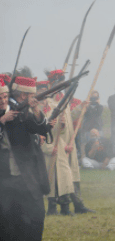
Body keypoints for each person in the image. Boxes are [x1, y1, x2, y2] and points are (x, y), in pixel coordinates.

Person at [0, 76, 51, 241]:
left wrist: (36, 110)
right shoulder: (8, 116)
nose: (4, 101)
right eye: (1, 98)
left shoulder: (21, 113)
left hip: (26, 175)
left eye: (5, 98)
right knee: (6, 216)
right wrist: (2, 121)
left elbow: (41, 128)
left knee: (36, 212)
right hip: (4, 176)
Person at [46, 69, 94, 214]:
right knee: (61, 177)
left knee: (72, 175)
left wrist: (80, 107)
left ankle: (78, 205)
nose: (63, 86)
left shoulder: (64, 100)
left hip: (69, 142)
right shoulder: (48, 102)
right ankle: (59, 207)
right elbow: (49, 124)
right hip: (58, 143)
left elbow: (70, 116)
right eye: (60, 83)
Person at [39, 87, 75, 216]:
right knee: (51, 181)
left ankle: (65, 208)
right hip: (46, 151)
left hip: (58, 148)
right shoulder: (36, 112)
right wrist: (48, 148)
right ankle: (52, 208)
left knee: (65, 177)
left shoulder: (55, 108)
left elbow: (61, 132)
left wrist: (62, 125)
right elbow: (38, 135)